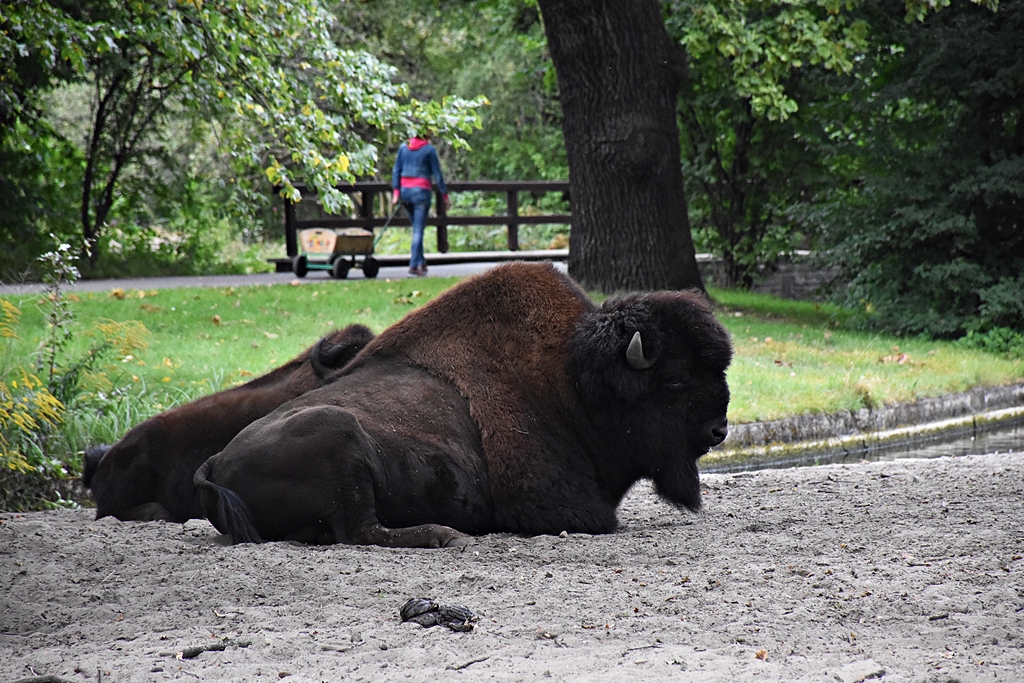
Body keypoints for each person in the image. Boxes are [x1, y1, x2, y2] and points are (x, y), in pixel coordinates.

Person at [391, 133, 449, 276]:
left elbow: (396, 170)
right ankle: (414, 265)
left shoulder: (403, 148)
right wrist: (444, 194)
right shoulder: (429, 150)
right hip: (421, 193)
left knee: (416, 228)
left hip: (405, 192)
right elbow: (437, 174)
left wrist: (396, 192)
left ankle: (421, 262)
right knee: (418, 230)